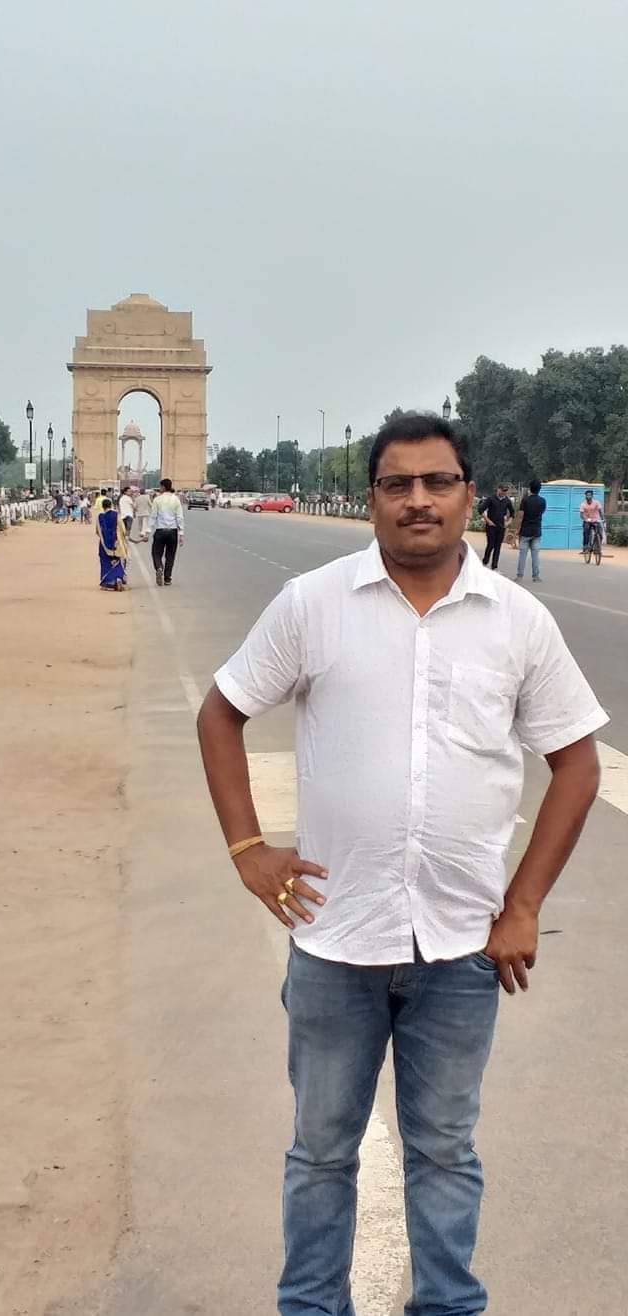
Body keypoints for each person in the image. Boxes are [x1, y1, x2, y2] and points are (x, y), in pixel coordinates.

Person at [198, 410, 607, 1316]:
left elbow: (577, 762)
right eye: (397, 484)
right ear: (375, 498)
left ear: (470, 494)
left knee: (445, 1152)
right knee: (320, 1152)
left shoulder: (517, 620)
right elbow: (220, 711)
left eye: (437, 482)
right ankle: (312, 1306)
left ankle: (449, 1306)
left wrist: (525, 903)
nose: (418, 500)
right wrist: (248, 849)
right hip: (336, 940)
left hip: (461, 946)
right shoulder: (313, 604)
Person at [148, 477, 184, 586]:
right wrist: (181, 534)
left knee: (156, 553)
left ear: (163, 487)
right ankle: (167, 579)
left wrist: (147, 531)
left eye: (160, 486)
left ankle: (159, 567)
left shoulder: (157, 500)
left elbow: (153, 516)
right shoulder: (176, 499)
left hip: (160, 531)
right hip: (172, 532)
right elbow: (180, 517)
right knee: (170, 556)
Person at [516, 478, 547, 582]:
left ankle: (519, 576)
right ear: (539, 489)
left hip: (525, 530)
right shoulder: (542, 501)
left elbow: (520, 516)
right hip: (536, 530)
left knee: (522, 555)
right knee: (535, 556)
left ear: (530, 488)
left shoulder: (525, 500)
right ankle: (536, 576)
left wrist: (518, 529)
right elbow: (542, 512)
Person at [479, 483, 514, 570]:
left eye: (506, 491)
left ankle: (494, 566)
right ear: (498, 489)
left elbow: (512, 513)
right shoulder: (491, 499)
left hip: (501, 527)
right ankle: (485, 561)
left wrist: (508, 522)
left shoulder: (507, 501)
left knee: (498, 546)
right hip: (491, 526)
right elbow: (480, 510)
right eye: (503, 490)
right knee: (490, 544)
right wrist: (488, 520)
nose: (504, 492)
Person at [97, 497, 127, 591]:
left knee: (104, 562)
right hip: (115, 543)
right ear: (111, 505)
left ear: (103, 507)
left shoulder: (100, 516)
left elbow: (98, 531)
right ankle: (118, 578)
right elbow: (122, 528)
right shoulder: (116, 515)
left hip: (104, 544)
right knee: (116, 561)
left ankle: (106, 584)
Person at [580, 488, 604, 553]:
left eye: (590, 495)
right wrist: (585, 519)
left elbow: (600, 511)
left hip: (595, 520)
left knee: (599, 532)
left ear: (592, 496)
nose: (588, 496)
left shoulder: (596, 502)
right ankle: (585, 546)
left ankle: (597, 548)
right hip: (587, 521)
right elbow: (581, 515)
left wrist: (602, 519)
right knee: (586, 531)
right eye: (587, 495)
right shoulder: (583, 504)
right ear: (585, 496)